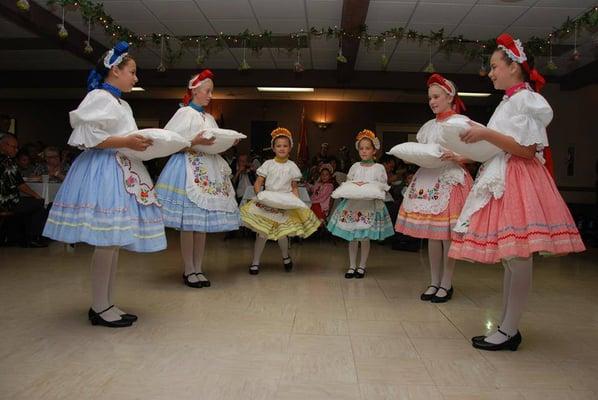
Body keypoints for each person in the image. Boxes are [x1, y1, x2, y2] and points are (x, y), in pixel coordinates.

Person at [448, 34, 585, 350]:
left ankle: (509, 330)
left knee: (518, 258)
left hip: (519, 179)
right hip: (505, 173)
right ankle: (506, 325)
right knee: (511, 259)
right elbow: (500, 146)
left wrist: (485, 132)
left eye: (495, 66)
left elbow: (526, 149)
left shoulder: (526, 99)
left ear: (514, 66)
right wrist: (465, 154)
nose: (491, 72)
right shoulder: (510, 100)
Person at [43, 42, 166, 327]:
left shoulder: (120, 102)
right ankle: (100, 307)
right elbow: (86, 136)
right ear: (115, 70)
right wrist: (126, 141)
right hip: (104, 170)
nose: (136, 78)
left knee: (113, 243)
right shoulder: (99, 96)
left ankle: (106, 303)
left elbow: (122, 137)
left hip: (121, 168)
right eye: (132, 72)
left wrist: (140, 143)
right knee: (107, 242)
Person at [156, 70, 240, 288]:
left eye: (212, 91)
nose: (211, 95)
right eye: (207, 91)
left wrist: (228, 143)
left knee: (200, 225)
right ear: (194, 90)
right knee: (189, 224)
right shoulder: (184, 114)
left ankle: (198, 268)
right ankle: (188, 269)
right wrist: (192, 141)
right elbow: (168, 141)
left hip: (207, 170)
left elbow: (214, 142)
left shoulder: (209, 117)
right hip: (186, 169)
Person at [394, 74, 473, 303]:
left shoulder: (460, 122)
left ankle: (446, 283)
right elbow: (423, 152)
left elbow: (477, 153)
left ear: (450, 96)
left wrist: (458, 156)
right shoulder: (427, 127)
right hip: (428, 180)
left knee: (447, 236)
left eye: (436, 96)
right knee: (432, 235)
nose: (432, 101)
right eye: (430, 98)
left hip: (450, 179)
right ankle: (433, 281)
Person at [240, 127, 320, 275]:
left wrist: (296, 202)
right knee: (262, 233)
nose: (282, 148)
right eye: (278, 145)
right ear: (273, 148)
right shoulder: (268, 164)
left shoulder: (292, 166)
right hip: (269, 200)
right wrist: (260, 195)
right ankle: (255, 262)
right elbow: (258, 182)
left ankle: (285, 257)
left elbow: (294, 186)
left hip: (284, 201)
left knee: (283, 233)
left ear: (290, 147)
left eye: (285, 145)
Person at [327, 129, 394, 278]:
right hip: (353, 205)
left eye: (367, 148)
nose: (364, 151)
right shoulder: (355, 166)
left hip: (369, 206)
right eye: (361, 148)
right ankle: (351, 266)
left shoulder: (379, 168)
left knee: (364, 237)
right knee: (352, 237)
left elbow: (382, 185)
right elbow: (350, 183)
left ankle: (362, 266)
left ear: (374, 150)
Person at [0, 134, 47, 247]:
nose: (16, 150)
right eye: (14, 147)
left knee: (26, 203)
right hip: (6, 202)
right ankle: (32, 238)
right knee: (39, 204)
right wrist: (36, 195)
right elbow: (20, 184)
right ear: (3, 146)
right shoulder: (7, 162)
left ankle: (14, 236)